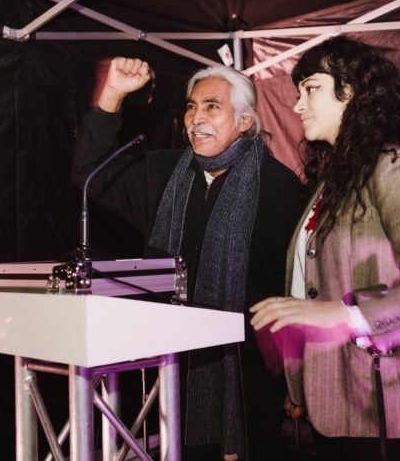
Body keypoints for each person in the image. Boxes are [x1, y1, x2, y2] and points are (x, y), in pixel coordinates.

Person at [249, 36, 400, 461]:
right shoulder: (329, 182)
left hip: (394, 414)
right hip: (334, 412)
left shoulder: (392, 167)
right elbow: (312, 288)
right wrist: (300, 385)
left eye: (311, 88)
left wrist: (348, 314)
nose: (298, 105)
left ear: (351, 92)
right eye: (298, 92)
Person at [72, 57, 304, 460]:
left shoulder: (279, 187)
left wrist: (299, 381)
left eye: (212, 106)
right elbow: (90, 170)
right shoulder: (165, 174)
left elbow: (295, 289)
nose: (196, 117)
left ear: (246, 122)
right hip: (172, 369)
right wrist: (111, 95)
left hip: (248, 380)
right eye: (191, 107)